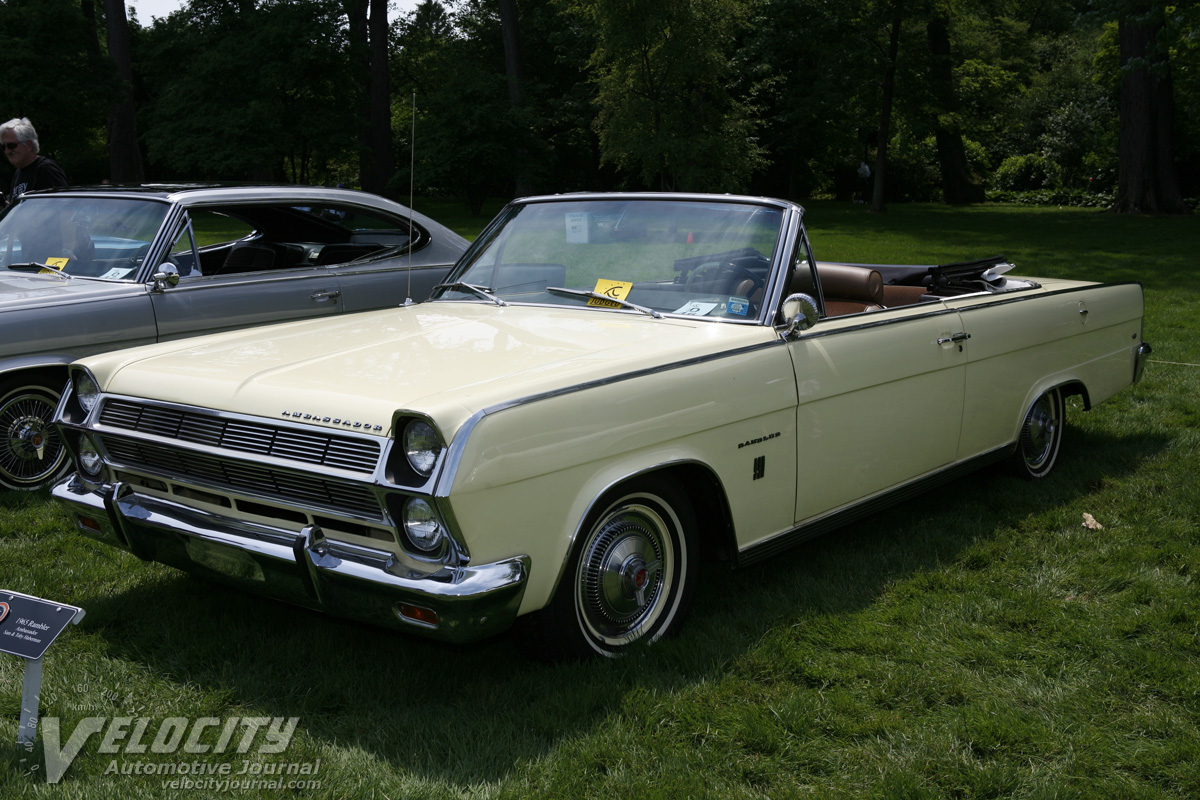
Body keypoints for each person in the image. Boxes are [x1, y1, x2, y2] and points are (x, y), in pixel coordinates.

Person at [1, 117, 68, 208]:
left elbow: (64, 206)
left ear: (28, 145)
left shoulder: (45, 169)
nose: (7, 151)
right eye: (3, 147)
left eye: (11, 145)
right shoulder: (18, 173)